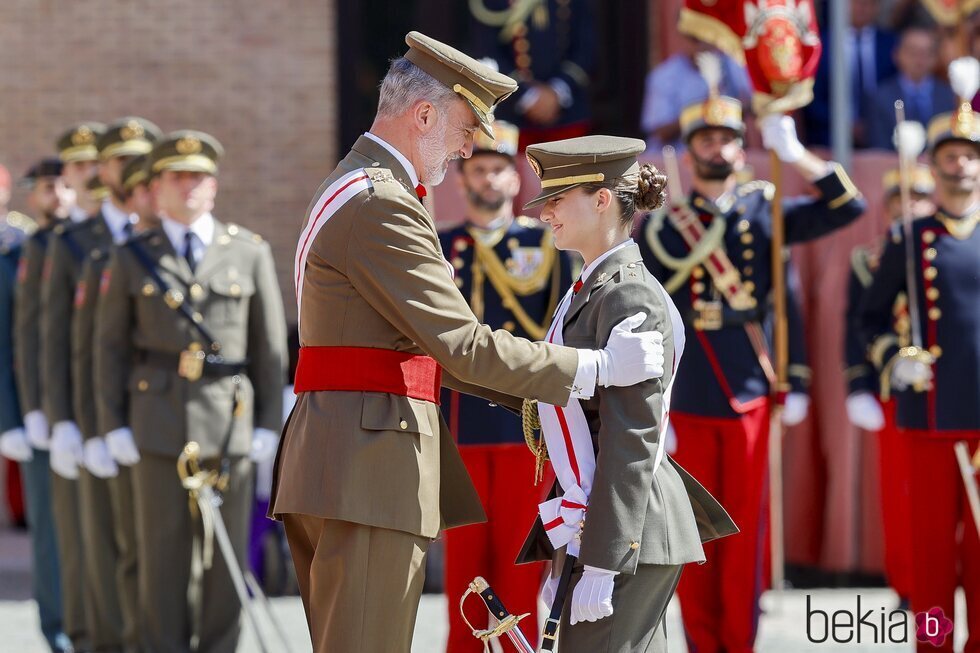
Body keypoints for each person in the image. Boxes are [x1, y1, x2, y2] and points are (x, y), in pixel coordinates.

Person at [269, 31, 667, 653]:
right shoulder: (383, 204)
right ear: (423, 113)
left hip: (348, 454)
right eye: (463, 128)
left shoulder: (363, 187)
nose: (466, 148)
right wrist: (593, 369)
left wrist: (546, 404)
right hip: (366, 466)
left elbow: (422, 353)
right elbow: (460, 344)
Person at [636, 93, 866, 653]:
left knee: (742, 531)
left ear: (744, 149)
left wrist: (799, 156)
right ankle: (701, 643)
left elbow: (847, 210)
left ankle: (740, 642)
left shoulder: (766, 209)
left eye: (728, 139)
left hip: (748, 389)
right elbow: (643, 312)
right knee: (687, 531)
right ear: (690, 153)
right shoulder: (665, 226)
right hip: (684, 391)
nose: (719, 148)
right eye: (707, 140)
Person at [513, 135, 737, 652]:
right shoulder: (593, 286)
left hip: (627, 526)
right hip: (615, 518)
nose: (546, 213)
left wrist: (602, 558)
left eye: (557, 199)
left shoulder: (626, 292)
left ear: (601, 199)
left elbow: (633, 433)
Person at [94, 130, 287, 653]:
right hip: (156, 428)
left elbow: (269, 352)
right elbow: (109, 349)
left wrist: (269, 426)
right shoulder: (133, 255)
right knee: (161, 562)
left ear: (215, 187)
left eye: (198, 177)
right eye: (176, 178)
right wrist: (112, 426)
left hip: (230, 426)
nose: (189, 187)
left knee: (227, 565)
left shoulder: (247, 251)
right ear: (156, 189)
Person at [437, 120, 573, 651]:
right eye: (478, 170)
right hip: (458, 424)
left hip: (527, 429)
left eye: (499, 170)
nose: (489, 180)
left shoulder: (546, 245)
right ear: (462, 178)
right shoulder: (439, 244)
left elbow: (561, 331)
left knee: (520, 570)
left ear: (516, 179)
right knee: (464, 572)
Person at [858, 104, 979, 653]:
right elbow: (869, 317)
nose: (962, 166)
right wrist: (894, 358)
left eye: (970, 156)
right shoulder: (911, 237)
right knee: (931, 555)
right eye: (951, 156)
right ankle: (935, 647)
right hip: (929, 412)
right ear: (933, 166)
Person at [69, 118, 162, 653]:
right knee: (108, 546)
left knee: (155, 547)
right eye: (120, 160)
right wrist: (75, 420)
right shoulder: (81, 244)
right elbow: (77, 345)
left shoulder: (165, 234)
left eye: (139, 159)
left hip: (160, 413)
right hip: (104, 413)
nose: (130, 170)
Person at [844, 164, 935, 607]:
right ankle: (906, 583)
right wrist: (858, 384)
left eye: (918, 196)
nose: (910, 204)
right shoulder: (869, 259)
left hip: (946, 388)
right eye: (900, 197)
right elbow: (856, 326)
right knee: (900, 496)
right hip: (893, 387)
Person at [11, 157, 73, 652]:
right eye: (48, 186)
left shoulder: (100, 248)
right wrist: (11, 416)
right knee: (52, 536)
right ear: (30, 194)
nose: (58, 195)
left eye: (66, 185)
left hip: (93, 412)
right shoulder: (17, 253)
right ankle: (58, 634)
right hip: (37, 413)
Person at [468, 0, 595, 149]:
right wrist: (528, 96)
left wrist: (558, 91)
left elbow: (586, 49)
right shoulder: (490, 4)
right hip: (512, 114)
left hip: (567, 114)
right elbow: (487, 52)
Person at [804, 0, 897, 147]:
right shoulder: (820, 43)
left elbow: (896, 90)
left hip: (882, 137)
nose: (862, 8)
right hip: (828, 135)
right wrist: (843, 124)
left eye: (868, 3)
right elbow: (811, 95)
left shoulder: (891, 44)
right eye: (855, 3)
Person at [641, 33, 752, 151]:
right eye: (696, 39)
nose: (704, 44)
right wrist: (703, 108)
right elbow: (661, 132)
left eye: (709, 37)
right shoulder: (664, 76)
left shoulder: (732, 65)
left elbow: (751, 104)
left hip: (724, 154)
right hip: (679, 156)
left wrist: (724, 100)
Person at [869, 27, 957, 150]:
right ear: (896, 54)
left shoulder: (948, 95)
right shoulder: (880, 96)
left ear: (936, 57)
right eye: (913, 52)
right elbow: (878, 148)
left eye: (927, 53)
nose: (919, 59)